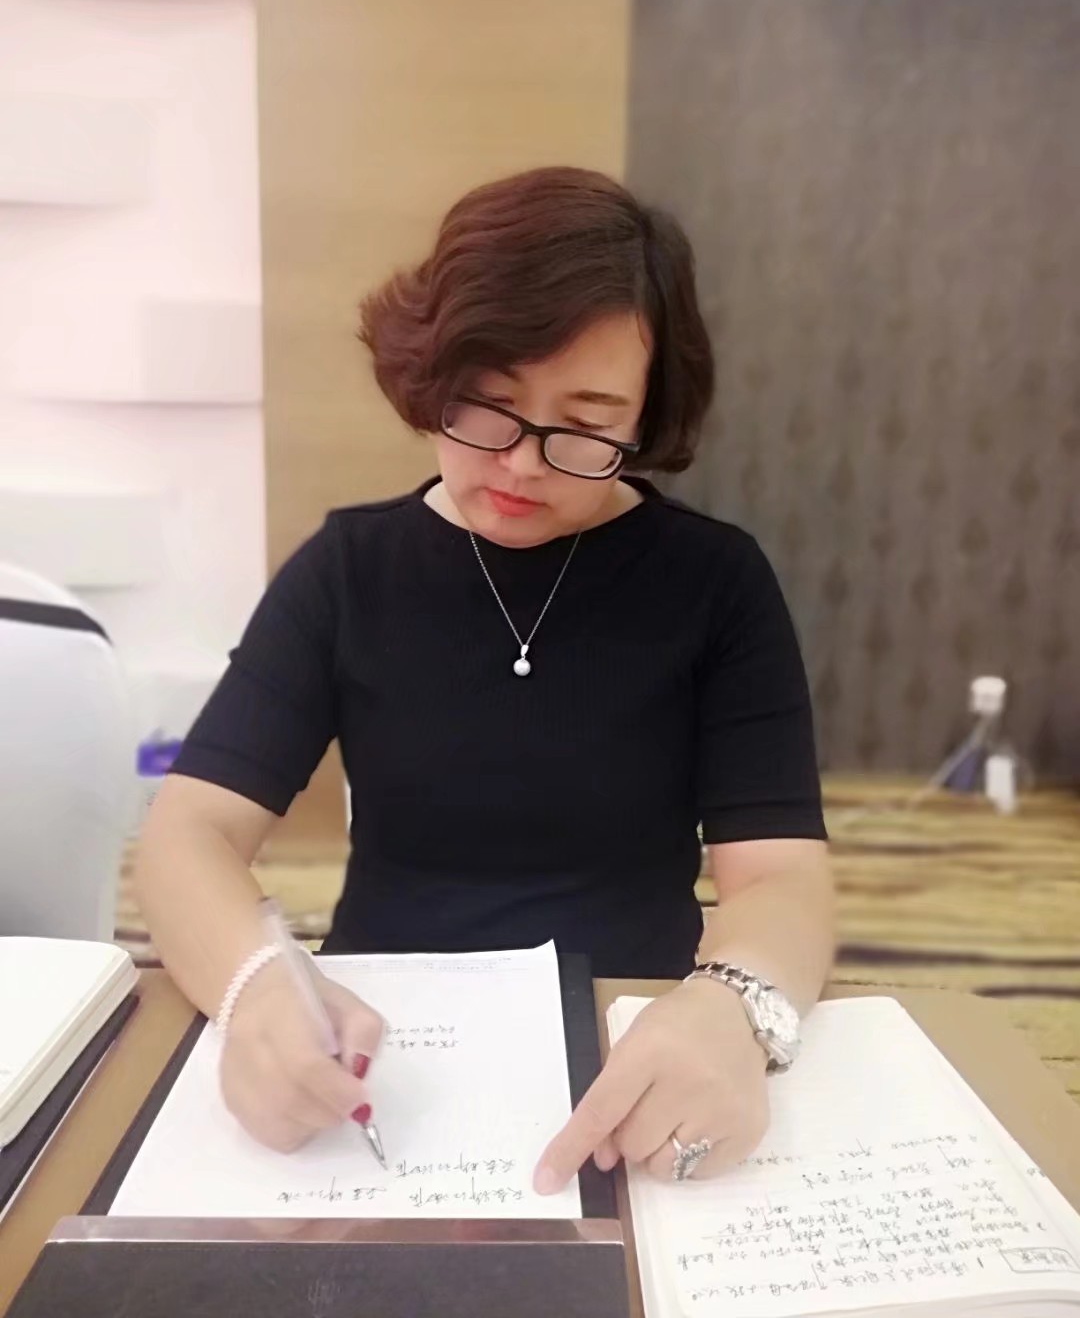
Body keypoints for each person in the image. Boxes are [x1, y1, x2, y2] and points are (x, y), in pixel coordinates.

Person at [136, 166, 834, 1193]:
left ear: (645, 420)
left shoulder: (716, 583)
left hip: (634, 1035)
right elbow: (188, 830)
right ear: (432, 376)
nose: (520, 464)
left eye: (584, 424)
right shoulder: (349, 572)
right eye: (488, 407)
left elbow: (780, 877)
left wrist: (733, 1003)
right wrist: (255, 986)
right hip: (385, 1051)